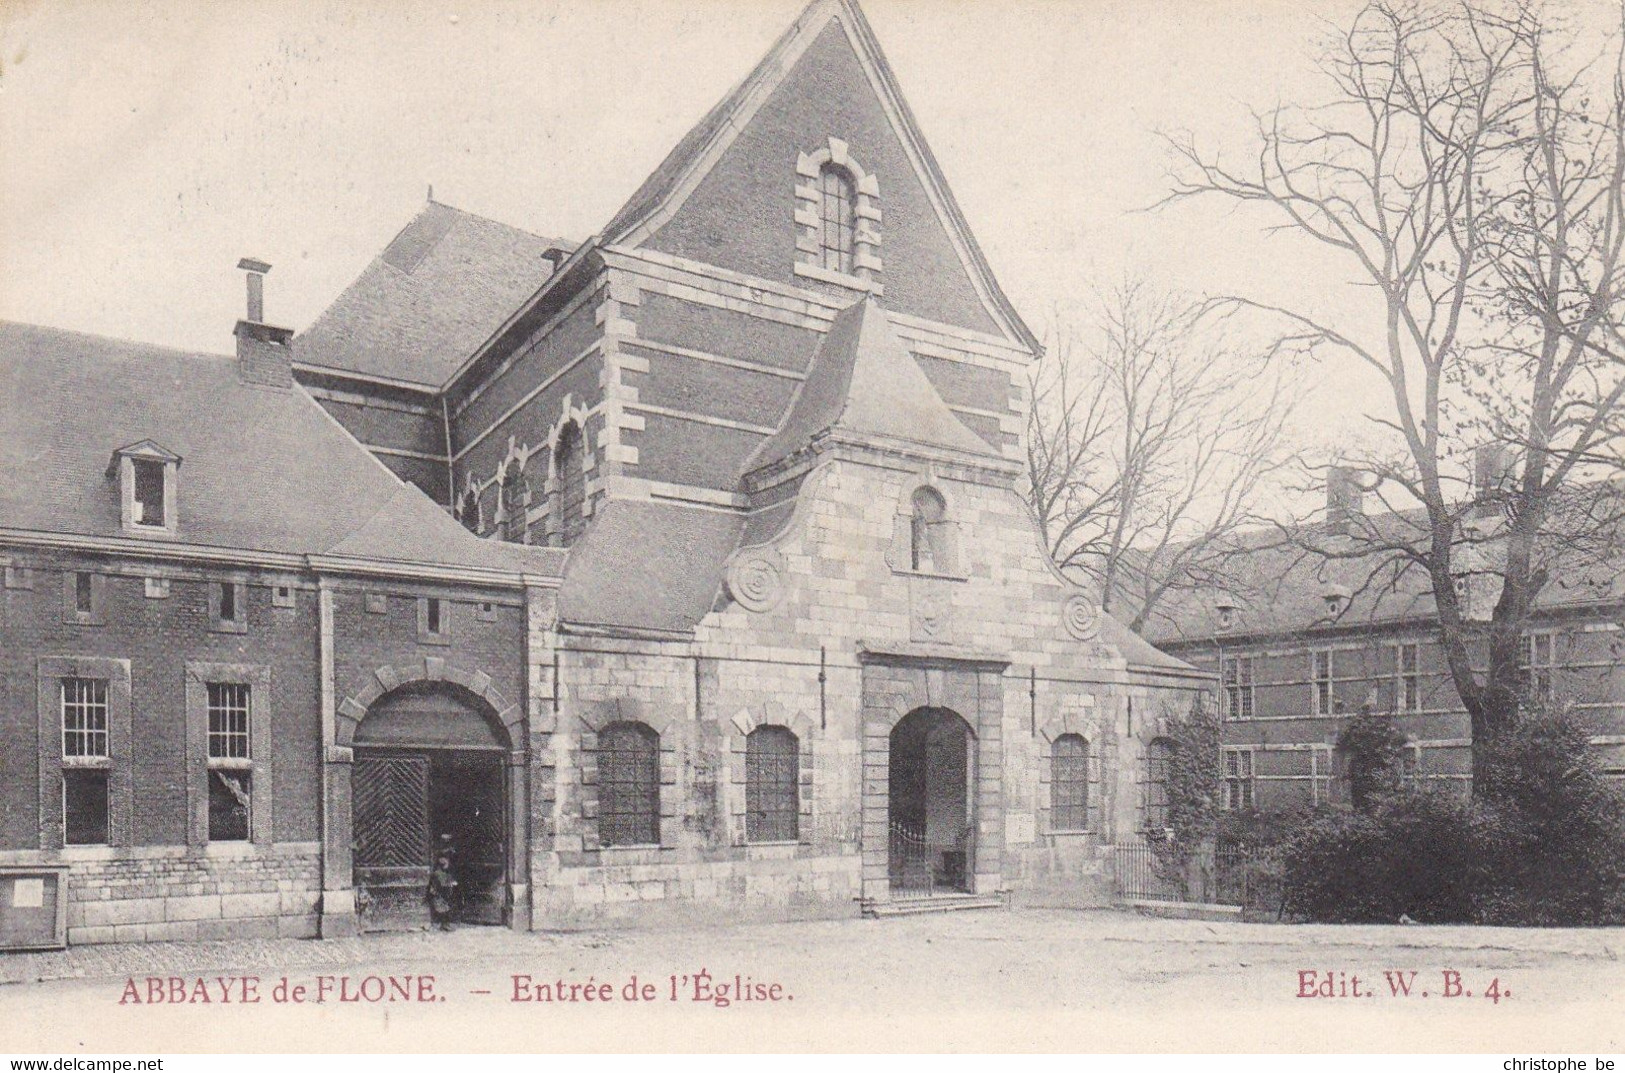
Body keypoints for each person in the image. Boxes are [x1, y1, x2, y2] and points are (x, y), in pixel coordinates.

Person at [427, 853, 459, 931]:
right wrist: (450, 884)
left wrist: (452, 883)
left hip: (445, 894)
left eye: (446, 859)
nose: (445, 861)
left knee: (447, 906)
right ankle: (438, 924)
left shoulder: (448, 872)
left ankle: (445, 924)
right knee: (441, 907)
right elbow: (441, 884)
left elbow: (451, 881)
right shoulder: (437, 873)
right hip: (438, 895)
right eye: (442, 859)